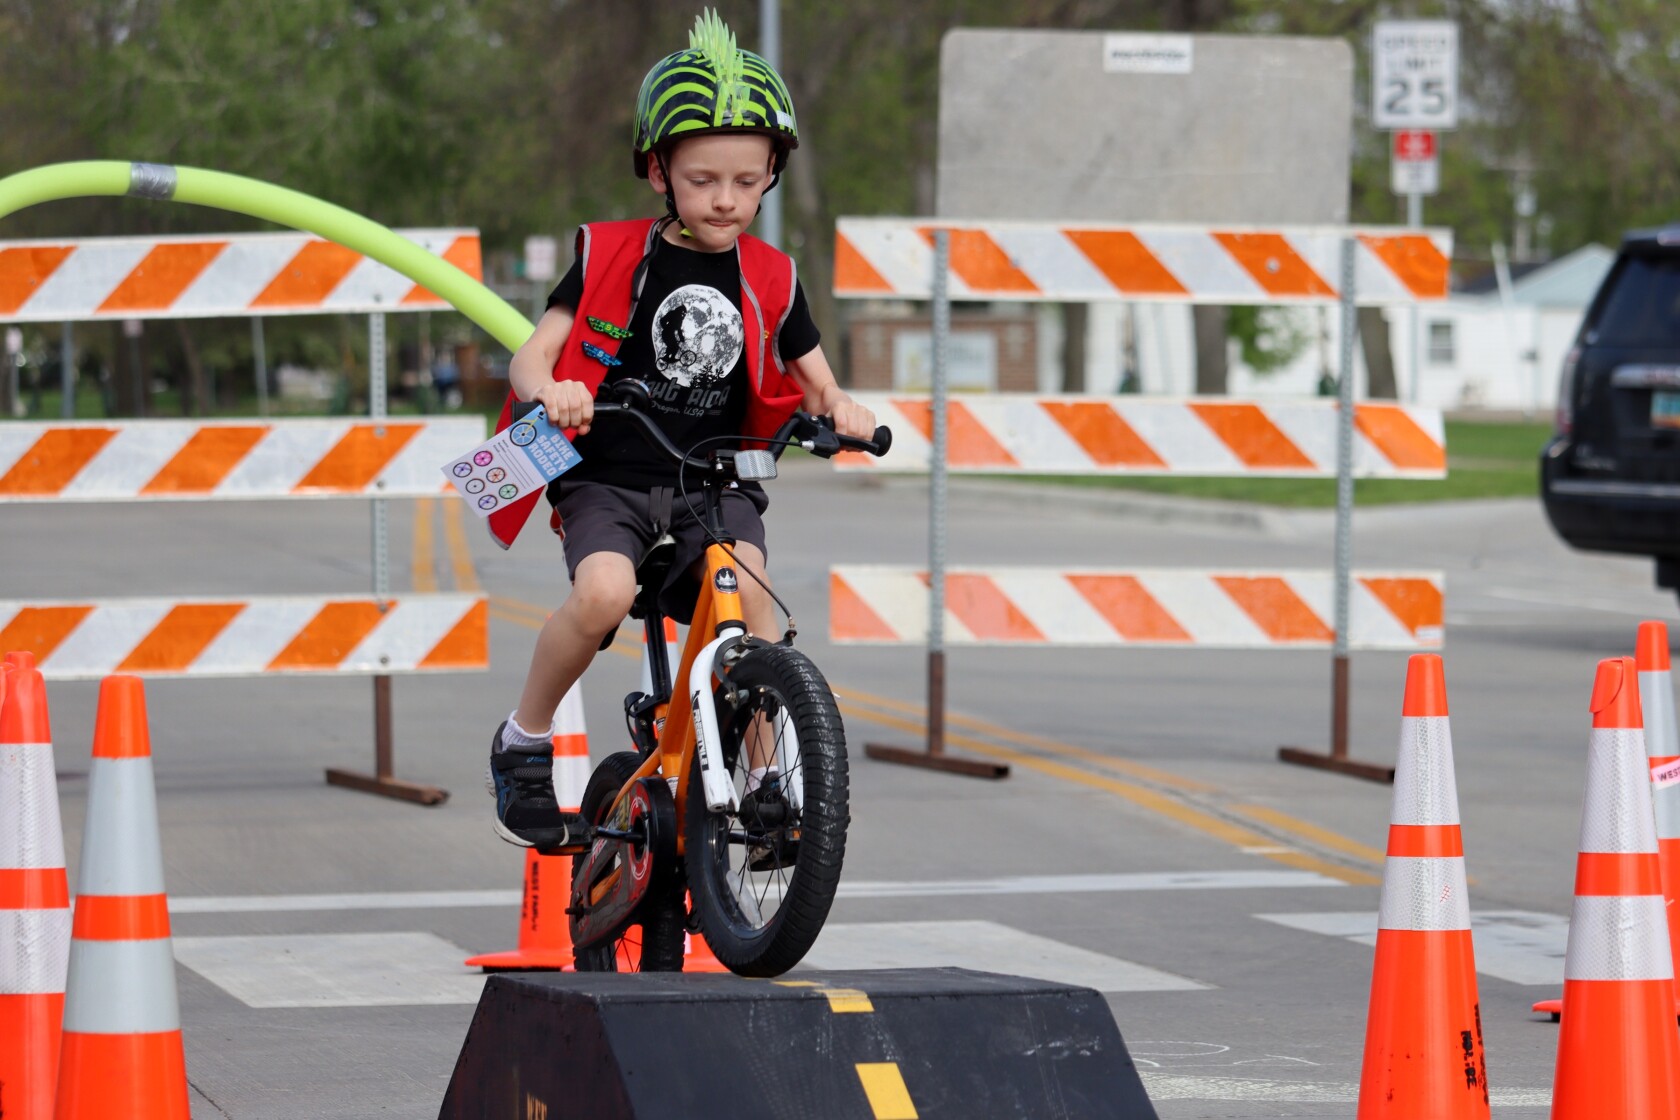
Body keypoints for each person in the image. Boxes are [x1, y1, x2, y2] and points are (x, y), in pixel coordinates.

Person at [485, 10, 876, 851]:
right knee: (602, 596)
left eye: (745, 178)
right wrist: (552, 390)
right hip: (610, 478)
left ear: (772, 171)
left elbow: (813, 370)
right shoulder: (610, 255)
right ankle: (524, 739)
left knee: (755, 611)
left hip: (715, 482)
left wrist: (843, 408)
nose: (726, 199)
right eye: (702, 179)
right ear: (658, 173)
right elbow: (531, 359)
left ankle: (768, 787)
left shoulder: (771, 276)